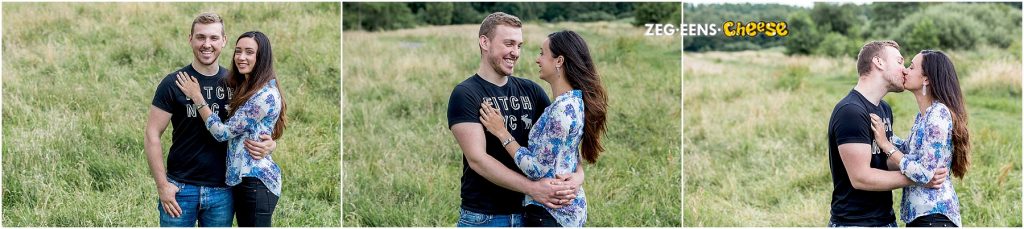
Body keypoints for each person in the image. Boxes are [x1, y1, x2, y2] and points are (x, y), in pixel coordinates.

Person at [446, 12, 582, 227]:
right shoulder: (466, 93)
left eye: (519, 45)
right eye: (509, 44)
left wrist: (578, 175)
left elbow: (563, 140)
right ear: (485, 42)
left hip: (532, 213)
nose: (515, 52)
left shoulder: (532, 90)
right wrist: (533, 188)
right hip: (486, 217)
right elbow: (477, 160)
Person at [144, 12, 276, 227]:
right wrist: (162, 185)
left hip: (222, 192)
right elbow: (152, 134)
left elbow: (257, 122)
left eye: (214, 38)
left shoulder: (237, 84)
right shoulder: (174, 83)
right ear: (190, 39)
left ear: (224, 41)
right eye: (201, 37)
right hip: (180, 189)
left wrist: (270, 144)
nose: (207, 44)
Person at [479, 30, 607, 227]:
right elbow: (569, 154)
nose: (537, 60)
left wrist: (501, 132)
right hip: (566, 209)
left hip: (550, 212)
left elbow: (537, 168)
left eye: (542, 53)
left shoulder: (561, 111)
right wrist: (578, 176)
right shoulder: (575, 102)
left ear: (559, 61)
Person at [825, 41, 948, 227]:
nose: (904, 70)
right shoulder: (850, 111)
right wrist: (921, 178)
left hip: (886, 220)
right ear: (878, 62)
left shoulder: (883, 109)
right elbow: (861, 178)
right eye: (899, 62)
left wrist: (924, 165)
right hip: (855, 222)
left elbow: (886, 160)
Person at [176, 31, 287, 227]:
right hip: (243, 181)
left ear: (262, 57)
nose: (241, 57)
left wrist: (197, 97)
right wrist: (271, 144)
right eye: (238, 51)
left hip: (255, 182)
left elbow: (222, 133)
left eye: (249, 52)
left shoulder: (264, 95)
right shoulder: (246, 85)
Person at [869, 50, 969, 227]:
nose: (905, 70)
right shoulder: (924, 115)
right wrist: (879, 131)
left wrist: (885, 144)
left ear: (926, 79)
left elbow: (925, 174)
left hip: (934, 217)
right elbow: (909, 150)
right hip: (923, 217)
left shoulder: (938, 115)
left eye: (911, 67)